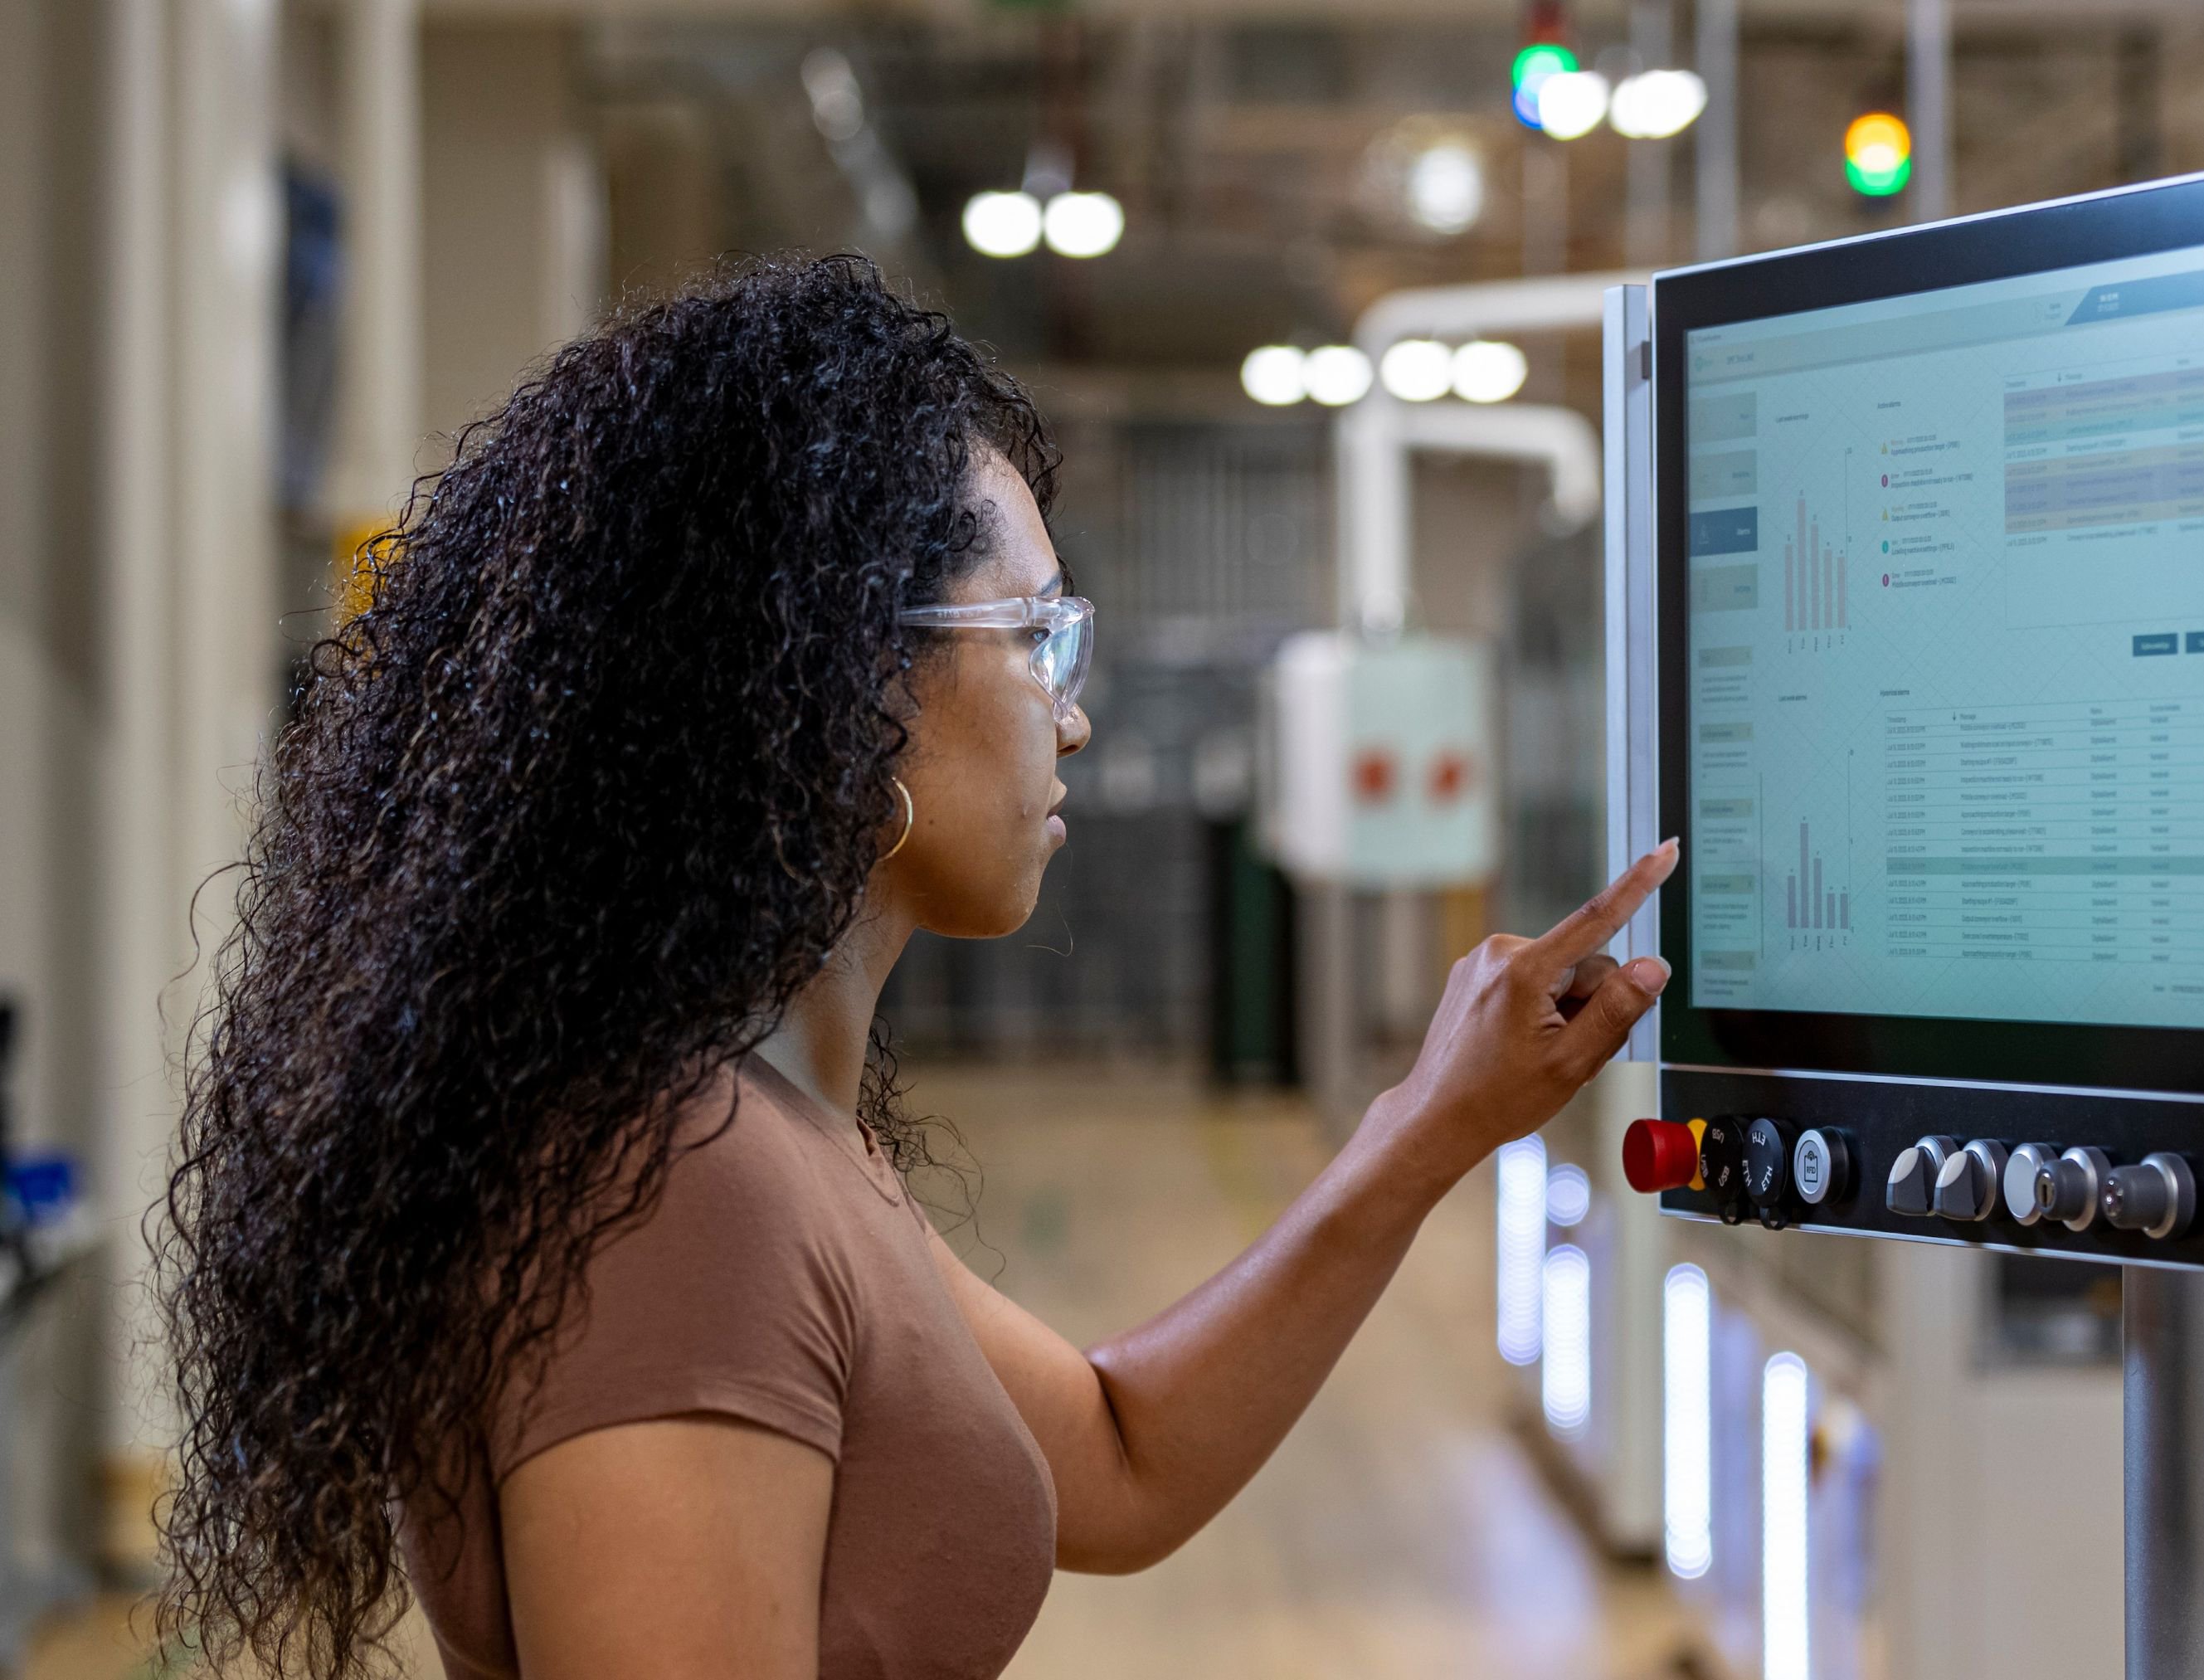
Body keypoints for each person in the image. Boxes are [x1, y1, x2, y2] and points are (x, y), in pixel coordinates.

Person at [158, 256, 1676, 1679]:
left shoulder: (767, 1132)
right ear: (841, 682)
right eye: (1036, 637)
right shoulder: (679, 1190)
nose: (1072, 716)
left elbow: (1123, 1455)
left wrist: (1432, 1121)